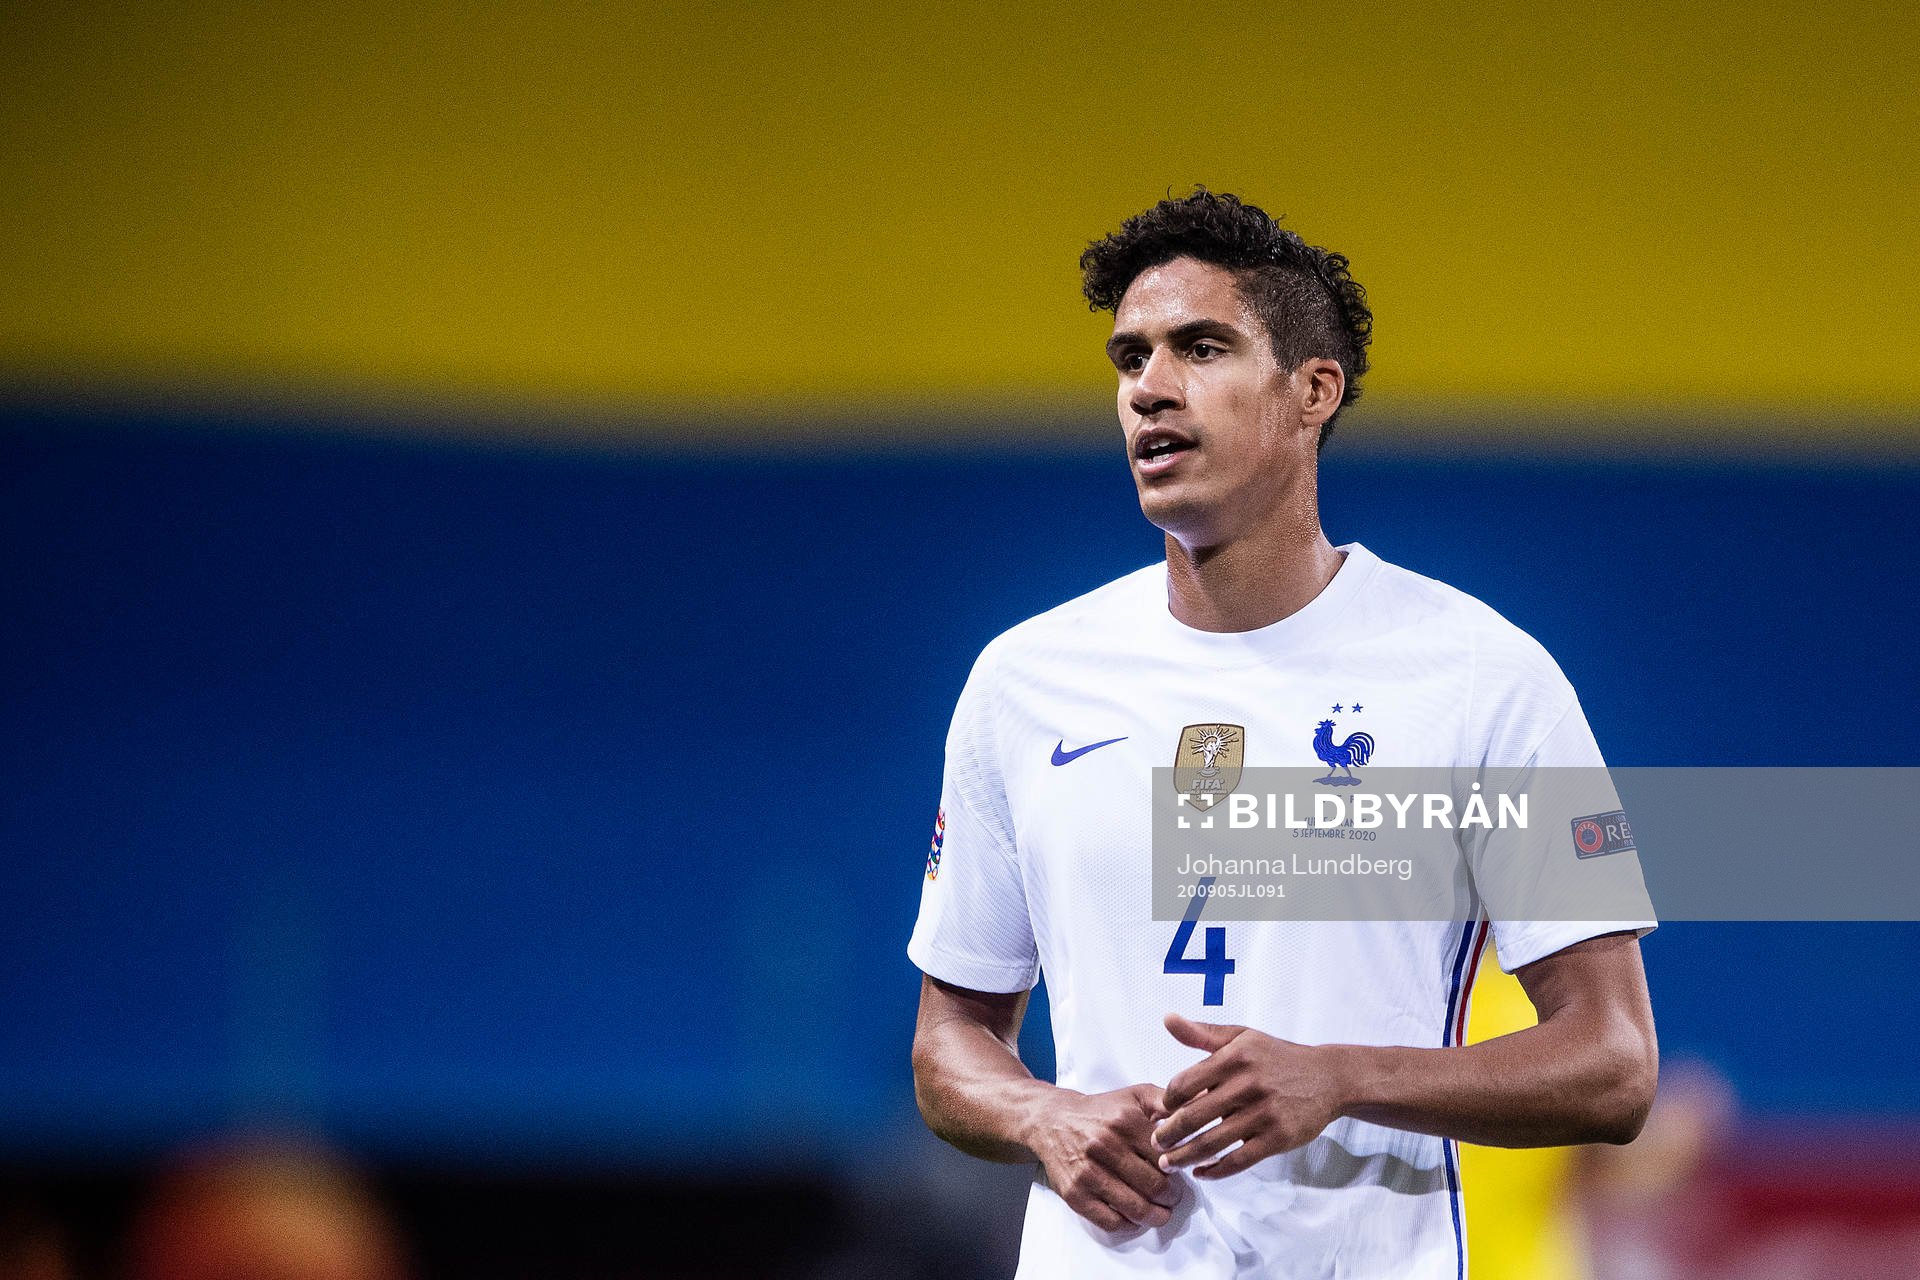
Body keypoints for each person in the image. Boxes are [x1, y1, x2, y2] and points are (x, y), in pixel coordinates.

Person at [906, 189, 1659, 1278]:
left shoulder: (1489, 678)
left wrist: (1344, 1075)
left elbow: (1615, 1063)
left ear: (1314, 390)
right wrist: (1040, 1114)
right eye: (1130, 359)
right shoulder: (1023, 682)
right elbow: (948, 1044)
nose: (1150, 388)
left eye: (1201, 347)